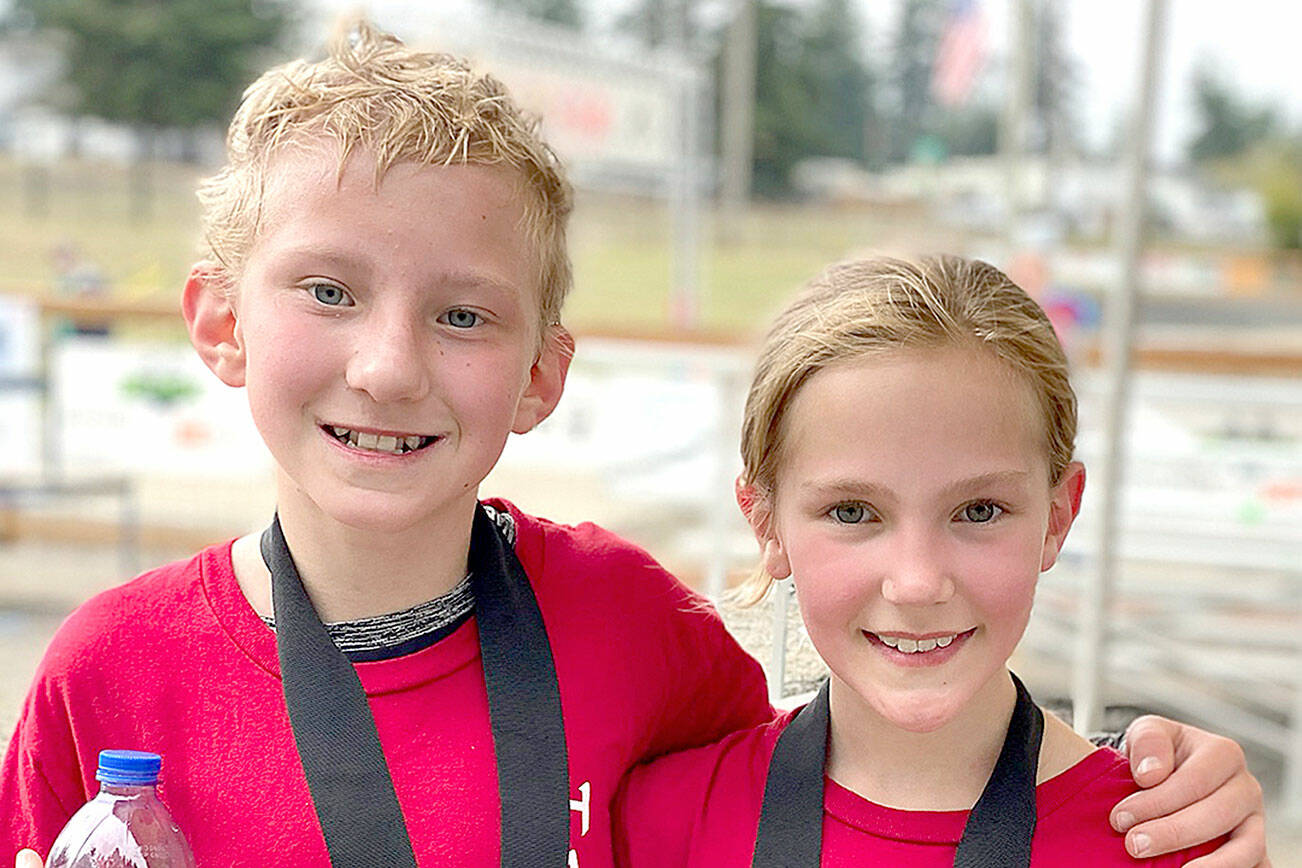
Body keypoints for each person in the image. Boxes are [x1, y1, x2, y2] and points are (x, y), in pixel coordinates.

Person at [1, 24, 1267, 868]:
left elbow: (873, 760)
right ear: (220, 322)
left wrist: (1137, 768)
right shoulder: (106, 673)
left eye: (462, 315)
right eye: (328, 291)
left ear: (543, 374)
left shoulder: (628, 623)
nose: (387, 366)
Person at [614, 256, 1270, 867]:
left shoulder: (1171, 838)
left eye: (978, 511)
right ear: (765, 523)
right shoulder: (657, 826)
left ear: (1058, 517)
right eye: (852, 512)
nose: (918, 583)